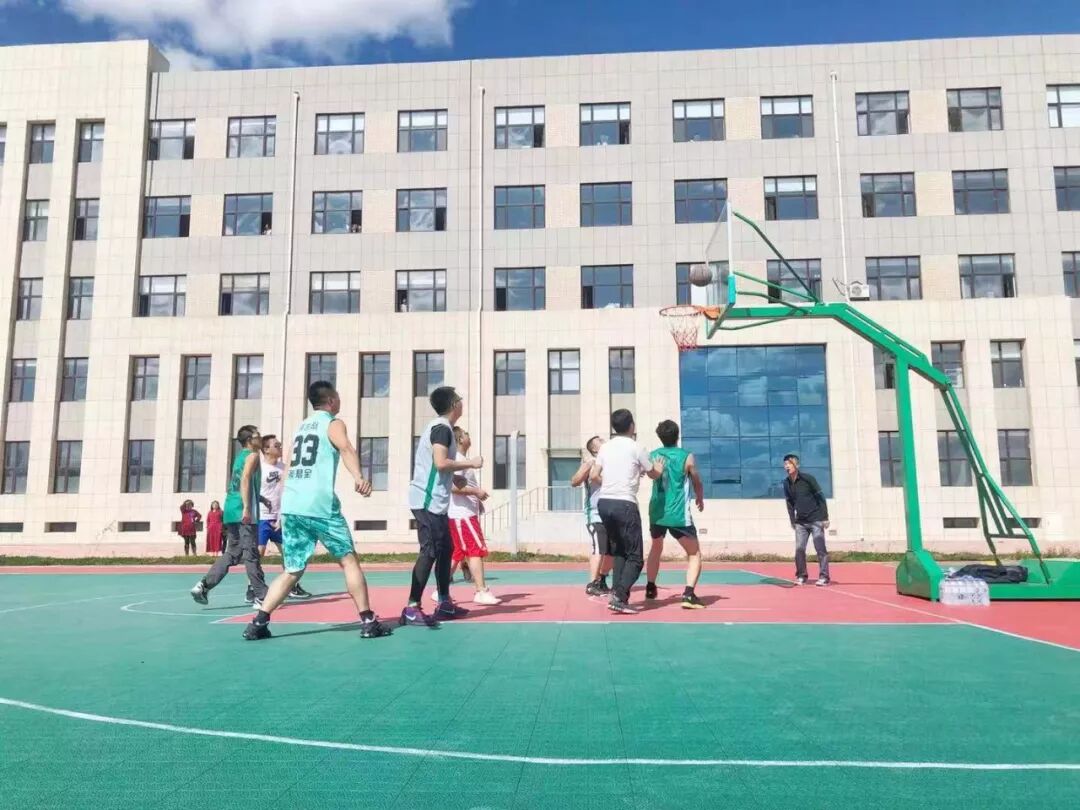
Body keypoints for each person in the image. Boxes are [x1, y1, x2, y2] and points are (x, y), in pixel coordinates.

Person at [243, 381, 392, 640]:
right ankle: (368, 622)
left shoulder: (301, 428)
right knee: (348, 560)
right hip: (320, 505)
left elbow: (288, 470)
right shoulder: (333, 423)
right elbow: (346, 448)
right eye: (338, 396)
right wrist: (358, 476)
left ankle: (258, 623)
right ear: (331, 400)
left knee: (292, 570)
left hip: (293, 506)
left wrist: (282, 508)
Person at [401, 385, 483, 626]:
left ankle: (445, 603)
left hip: (435, 502)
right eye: (459, 399)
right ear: (454, 405)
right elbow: (439, 462)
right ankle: (412, 607)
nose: (462, 402)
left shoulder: (441, 428)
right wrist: (471, 463)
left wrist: (453, 477)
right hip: (427, 501)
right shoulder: (442, 429)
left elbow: (437, 465)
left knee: (446, 549)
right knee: (429, 551)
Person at [589, 409, 664, 614]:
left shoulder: (605, 448)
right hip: (625, 504)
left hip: (604, 503)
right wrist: (659, 468)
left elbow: (594, 475)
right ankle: (620, 597)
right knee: (636, 557)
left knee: (620, 550)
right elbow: (653, 474)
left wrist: (611, 484)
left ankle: (616, 593)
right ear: (632, 426)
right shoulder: (636, 447)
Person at [189, 425, 268, 607]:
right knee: (251, 553)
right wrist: (247, 507)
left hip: (231, 508)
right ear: (249, 440)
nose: (260, 438)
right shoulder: (253, 455)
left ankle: (203, 585)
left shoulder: (239, 457)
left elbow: (240, 482)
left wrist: (260, 498)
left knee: (232, 553)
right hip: (242, 510)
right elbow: (245, 479)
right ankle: (261, 595)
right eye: (257, 435)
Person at [644, 420, 706, 609]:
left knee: (656, 547)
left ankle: (650, 587)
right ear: (677, 435)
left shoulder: (653, 455)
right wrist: (700, 496)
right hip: (678, 514)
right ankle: (688, 595)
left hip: (657, 512)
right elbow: (696, 479)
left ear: (660, 437)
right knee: (694, 553)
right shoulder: (686, 456)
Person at [439, 426, 498, 605]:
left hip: (464, 514)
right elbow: (451, 486)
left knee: (457, 553)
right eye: (465, 434)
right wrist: (476, 492)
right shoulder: (457, 459)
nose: (468, 435)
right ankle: (481, 591)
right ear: (459, 439)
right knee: (475, 550)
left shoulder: (462, 460)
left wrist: (476, 500)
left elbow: (461, 485)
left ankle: (440, 591)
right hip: (462, 515)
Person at [254, 434, 312, 600]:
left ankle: (292, 586)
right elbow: (252, 492)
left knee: (289, 553)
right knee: (259, 553)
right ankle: (253, 588)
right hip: (263, 517)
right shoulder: (259, 469)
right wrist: (262, 502)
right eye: (276, 445)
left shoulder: (284, 468)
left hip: (280, 518)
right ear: (266, 449)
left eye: (280, 444)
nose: (280, 447)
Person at [570, 435, 612, 596]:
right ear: (594, 449)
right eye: (600, 441)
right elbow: (574, 481)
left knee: (613, 552)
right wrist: (587, 468)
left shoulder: (611, 462)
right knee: (599, 548)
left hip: (612, 513)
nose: (604, 441)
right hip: (595, 514)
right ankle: (592, 583)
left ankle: (602, 579)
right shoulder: (591, 463)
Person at [782, 453, 831, 586]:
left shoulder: (808, 479)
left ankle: (824, 577)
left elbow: (820, 497)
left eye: (789, 463)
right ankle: (801, 575)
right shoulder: (786, 483)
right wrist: (792, 520)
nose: (787, 466)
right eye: (785, 464)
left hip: (816, 520)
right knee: (799, 550)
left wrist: (825, 517)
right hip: (800, 523)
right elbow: (789, 503)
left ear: (797, 465)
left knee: (820, 549)